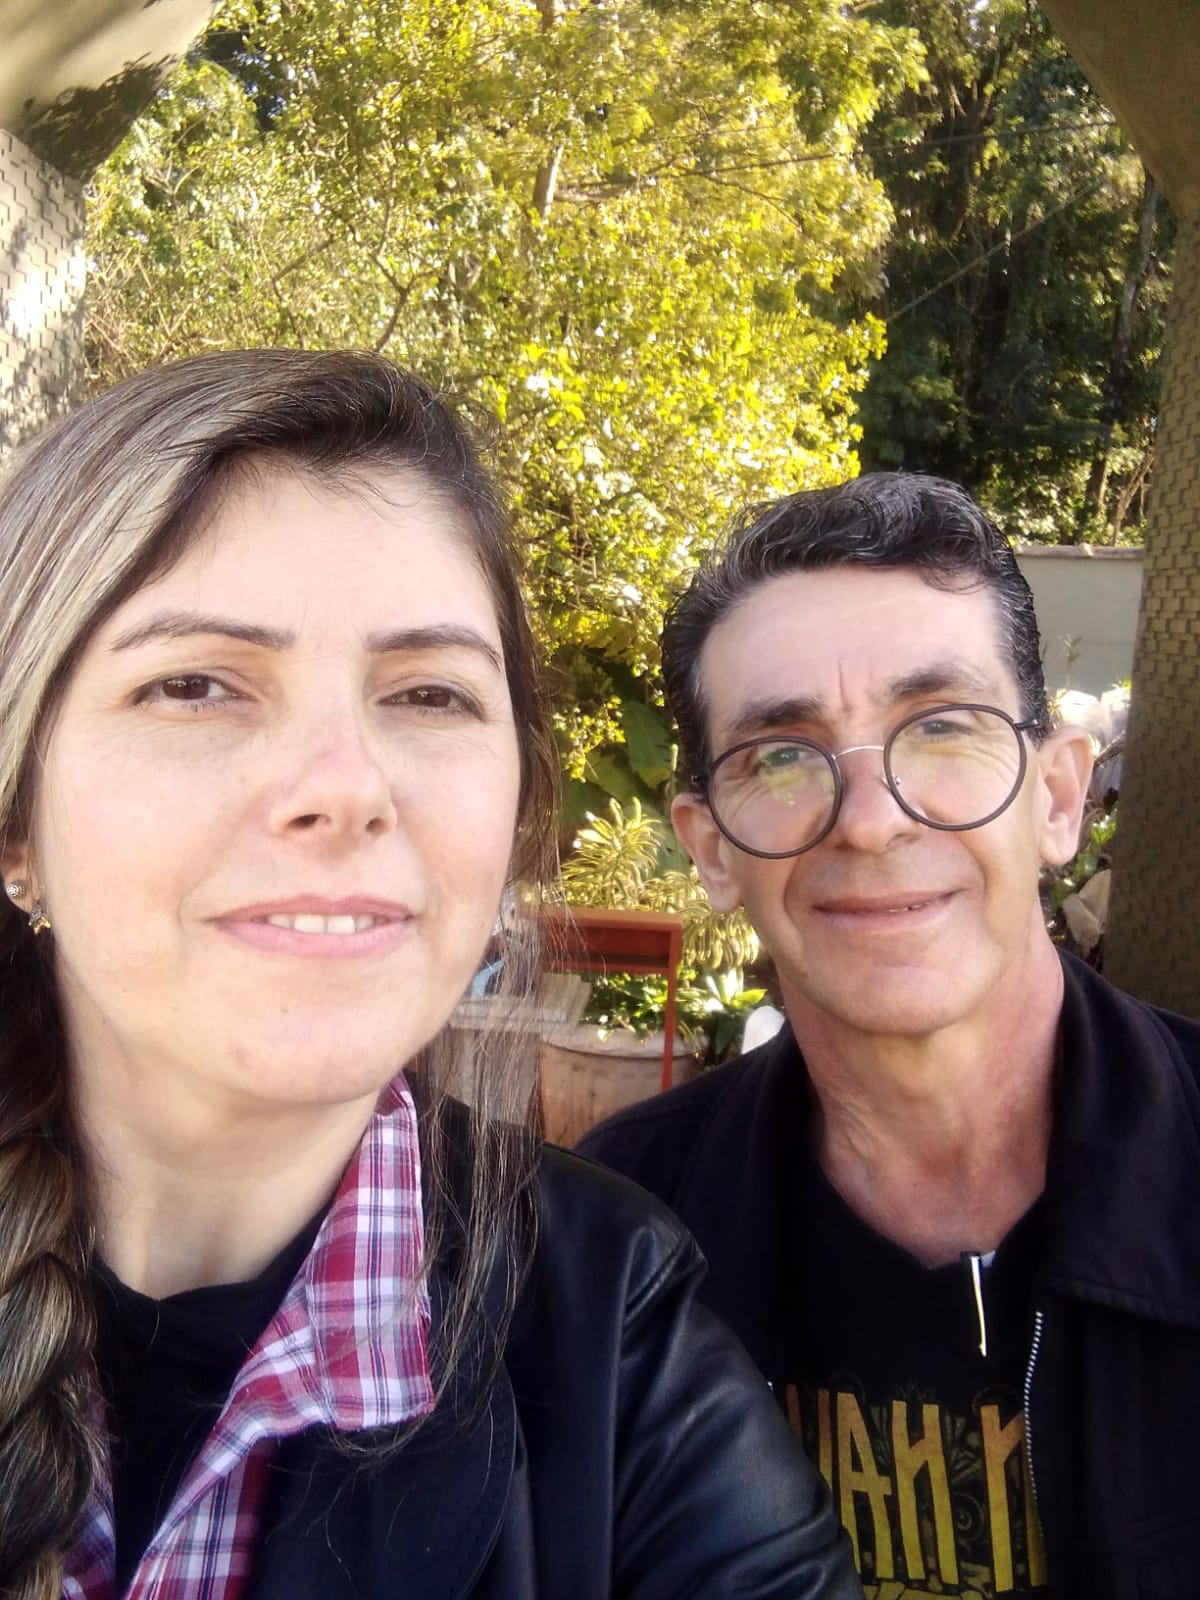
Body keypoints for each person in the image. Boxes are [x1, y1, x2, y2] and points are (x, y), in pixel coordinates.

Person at [0, 350, 861, 1600]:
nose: (346, 786)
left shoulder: (619, 1349)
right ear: (17, 826)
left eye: (428, 695)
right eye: (194, 685)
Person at [580, 474, 1200, 1599]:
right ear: (711, 849)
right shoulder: (614, 1243)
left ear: (1058, 799)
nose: (870, 823)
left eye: (944, 729)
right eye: (781, 754)